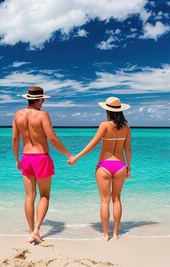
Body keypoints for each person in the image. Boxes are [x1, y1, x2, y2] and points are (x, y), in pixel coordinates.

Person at [12, 86, 73, 244]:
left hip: (26, 157)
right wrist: (68, 154)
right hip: (41, 158)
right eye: (42, 100)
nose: (43, 103)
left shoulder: (17, 115)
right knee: (44, 195)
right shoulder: (43, 115)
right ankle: (37, 230)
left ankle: (31, 231)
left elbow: (14, 139)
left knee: (29, 196)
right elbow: (51, 138)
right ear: (38, 100)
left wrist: (17, 160)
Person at [68, 96, 132, 241]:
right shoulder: (126, 127)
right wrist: (129, 166)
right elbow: (127, 149)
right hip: (120, 165)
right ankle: (115, 233)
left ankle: (105, 234)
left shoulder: (104, 125)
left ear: (107, 111)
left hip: (104, 166)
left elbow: (92, 144)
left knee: (104, 200)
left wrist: (76, 157)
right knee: (117, 199)